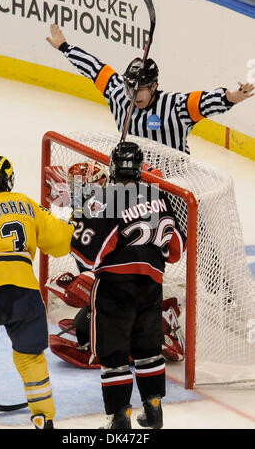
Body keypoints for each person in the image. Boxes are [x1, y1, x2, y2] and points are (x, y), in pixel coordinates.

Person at [69, 141, 186, 429]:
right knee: (148, 349)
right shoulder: (160, 196)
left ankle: (119, 418)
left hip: (115, 289)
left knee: (115, 355)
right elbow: (176, 249)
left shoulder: (106, 199)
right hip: (151, 287)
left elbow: (85, 255)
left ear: (112, 168)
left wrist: (80, 219)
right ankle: (154, 408)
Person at [0, 155, 75, 429]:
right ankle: (44, 417)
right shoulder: (27, 204)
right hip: (25, 293)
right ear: (9, 180)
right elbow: (60, 242)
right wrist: (76, 216)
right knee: (31, 358)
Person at [46, 24, 254, 155]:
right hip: (135, 173)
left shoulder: (176, 107)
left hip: (175, 181)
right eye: (129, 89)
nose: (132, 95)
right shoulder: (120, 93)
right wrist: (65, 47)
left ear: (154, 86)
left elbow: (206, 102)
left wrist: (232, 97)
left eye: (140, 90)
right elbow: (94, 68)